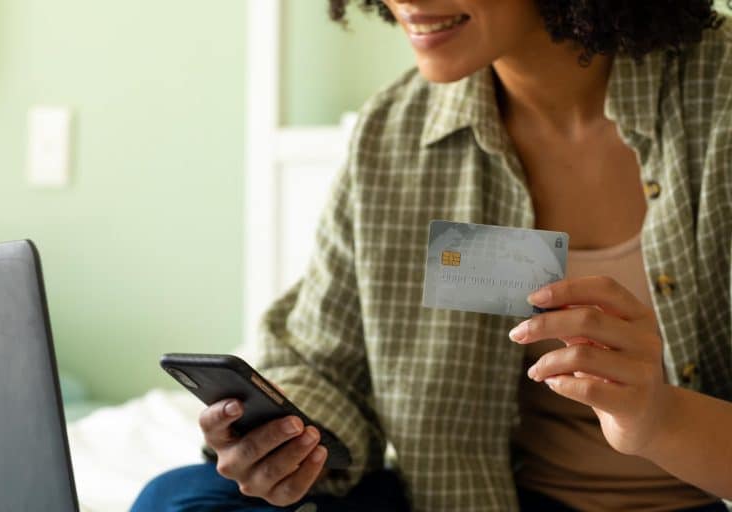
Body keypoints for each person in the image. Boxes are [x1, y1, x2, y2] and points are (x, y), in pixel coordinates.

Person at [132, 1, 732, 510]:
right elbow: (324, 368)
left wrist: (659, 418)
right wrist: (283, 439)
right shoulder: (392, 133)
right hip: (479, 497)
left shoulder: (719, 100)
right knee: (181, 497)